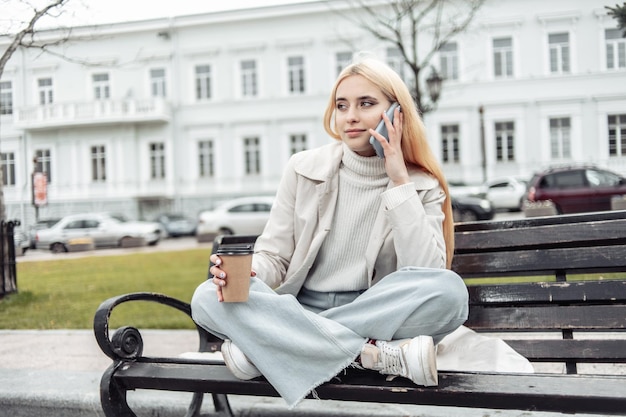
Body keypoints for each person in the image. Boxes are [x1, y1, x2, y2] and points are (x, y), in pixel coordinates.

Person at [191, 53, 469, 409]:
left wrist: (399, 179)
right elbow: (275, 255)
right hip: (301, 309)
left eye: (366, 103)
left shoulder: (422, 185)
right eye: (341, 105)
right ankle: (367, 355)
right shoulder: (303, 168)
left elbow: (427, 271)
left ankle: (272, 347)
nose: (350, 116)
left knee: (450, 293)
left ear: (396, 115)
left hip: (376, 312)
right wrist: (253, 271)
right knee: (205, 297)